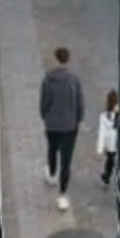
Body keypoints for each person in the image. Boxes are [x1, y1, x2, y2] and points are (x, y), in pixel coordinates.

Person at [39, 45, 84, 209]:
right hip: (70, 126)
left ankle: (51, 174)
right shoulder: (74, 79)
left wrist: (45, 116)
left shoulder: (48, 80)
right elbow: (79, 102)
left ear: (56, 58)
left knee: (51, 149)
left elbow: (44, 102)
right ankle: (62, 195)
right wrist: (78, 119)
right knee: (66, 161)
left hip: (52, 124)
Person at [97, 88, 119, 187]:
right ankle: (107, 176)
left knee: (110, 161)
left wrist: (100, 149)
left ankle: (107, 176)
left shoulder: (105, 117)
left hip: (112, 144)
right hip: (114, 144)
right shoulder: (106, 117)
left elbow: (102, 134)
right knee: (111, 161)